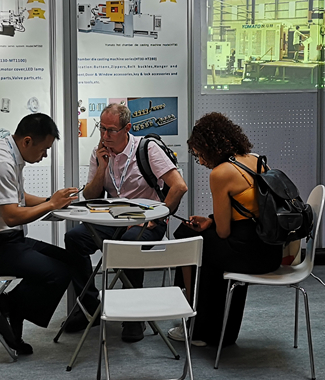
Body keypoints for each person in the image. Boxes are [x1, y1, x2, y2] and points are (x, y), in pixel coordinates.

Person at [63, 103, 188, 342]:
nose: (105, 135)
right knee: (74, 238)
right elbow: (90, 196)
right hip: (114, 218)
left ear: (127, 128)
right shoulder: (99, 152)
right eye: (102, 128)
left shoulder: (147, 148)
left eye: (111, 130)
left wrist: (156, 217)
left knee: (130, 242)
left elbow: (179, 186)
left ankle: (133, 316)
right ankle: (90, 306)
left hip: (149, 220)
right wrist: (102, 167)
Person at [0, 113, 86, 356]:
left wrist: (51, 200)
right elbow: (12, 216)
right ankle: (10, 307)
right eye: (44, 149)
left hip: (7, 241)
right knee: (57, 274)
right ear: (27, 141)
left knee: (74, 261)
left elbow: (18, 197)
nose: (45, 155)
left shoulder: (10, 153)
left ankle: (9, 305)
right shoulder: (1, 163)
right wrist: (51, 204)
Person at [168, 112, 282, 347]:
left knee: (186, 236)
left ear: (211, 148)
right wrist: (210, 221)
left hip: (246, 253)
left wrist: (212, 224)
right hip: (269, 250)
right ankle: (215, 330)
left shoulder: (221, 173)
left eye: (200, 154)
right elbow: (248, 210)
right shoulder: (256, 160)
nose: (201, 161)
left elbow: (223, 232)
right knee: (203, 250)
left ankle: (194, 323)